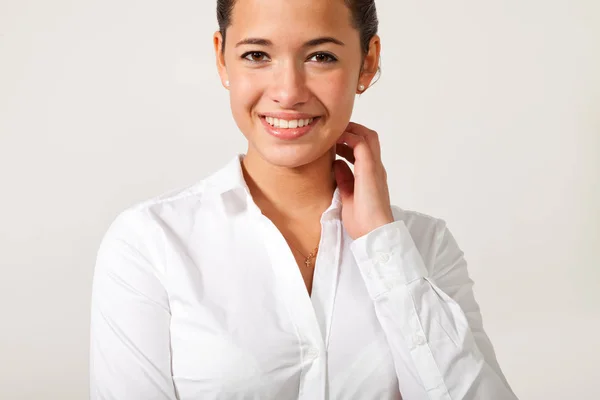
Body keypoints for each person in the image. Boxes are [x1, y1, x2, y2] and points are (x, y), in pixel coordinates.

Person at [89, 0, 518, 399]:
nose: (288, 91)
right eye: (257, 55)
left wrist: (382, 245)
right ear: (222, 58)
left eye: (321, 56)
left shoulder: (423, 246)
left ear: (367, 62)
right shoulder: (150, 243)